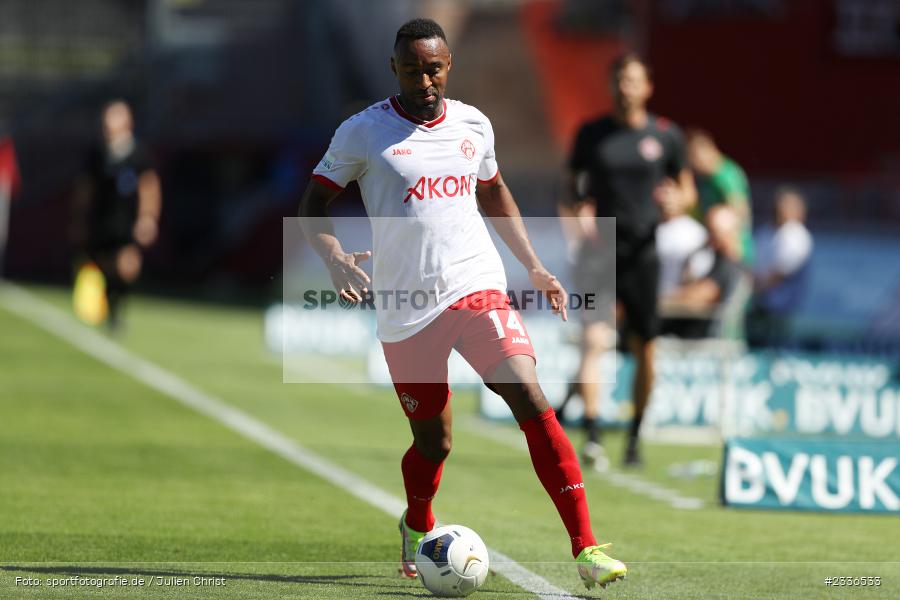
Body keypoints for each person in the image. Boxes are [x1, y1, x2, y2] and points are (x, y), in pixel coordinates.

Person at [298, 18, 626, 591]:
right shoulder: (363, 132)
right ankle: (417, 520)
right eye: (411, 69)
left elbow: (494, 191)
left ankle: (587, 547)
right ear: (394, 69)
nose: (424, 80)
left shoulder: (474, 123)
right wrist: (333, 258)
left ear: (448, 65)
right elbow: (312, 204)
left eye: (434, 69)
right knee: (436, 441)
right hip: (406, 308)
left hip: (477, 286)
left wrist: (534, 266)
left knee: (530, 397)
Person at [562, 54, 695, 468]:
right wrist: (576, 220)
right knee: (593, 340)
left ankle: (636, 435)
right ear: (611, 84)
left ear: (647, 86)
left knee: (646, 348)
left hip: (643, 254)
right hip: (598, 252)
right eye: (620, 79)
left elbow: (687, 191)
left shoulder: (666, 136)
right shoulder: (592, 134)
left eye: (633, 80)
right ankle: (593, 432)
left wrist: (678, 201)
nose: (626, 87)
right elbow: (568, 192)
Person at [72, 100, 162, 329]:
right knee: (105, 266)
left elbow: (149, 187)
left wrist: (148, 217)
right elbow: (85, 188)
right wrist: (79, 219)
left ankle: (117, 307)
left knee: (127, 266)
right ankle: (109, 306)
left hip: (126, 221)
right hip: (101, 219)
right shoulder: (97, 153)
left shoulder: (138, 153)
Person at [660, 205, 749, 338]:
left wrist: (658, 299)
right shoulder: (716, 260)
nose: (710, 237)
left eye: (714, 232)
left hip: (706, 343)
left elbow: (700, 295)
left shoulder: (729, 266)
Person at [750, 187, 813, 342]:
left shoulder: (797, 235)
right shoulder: (764, 232)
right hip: (760, 303)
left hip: (781, 306)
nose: (780, 210)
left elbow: (780, 273)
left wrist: (755, 288)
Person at [686, 129, 754, 263]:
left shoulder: (727, 175)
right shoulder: (702, 180)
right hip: (713, 250)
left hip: (734, 253)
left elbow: (739, 212)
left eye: (695, 157)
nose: (694, 164)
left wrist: (729, 240)